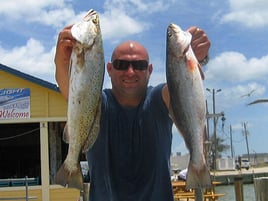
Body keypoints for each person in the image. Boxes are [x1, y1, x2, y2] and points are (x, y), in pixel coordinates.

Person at [54, 25, 210, 201]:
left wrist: (197, 57)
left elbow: (183, 86)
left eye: (139, 65)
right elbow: (70, 88)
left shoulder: (160, 100)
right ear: (109, 69)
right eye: (121, 65)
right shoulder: (94, 103)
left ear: (149, 71)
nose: (130, 71)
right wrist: (61, 61)